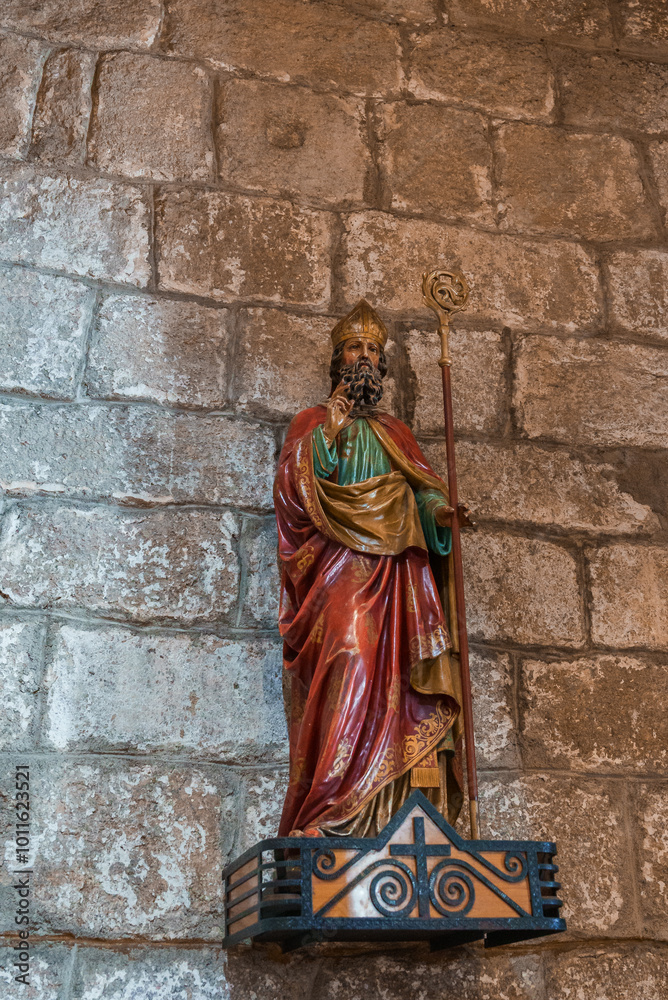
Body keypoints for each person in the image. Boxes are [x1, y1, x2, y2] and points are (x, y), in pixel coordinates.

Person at [274, 299, 470, 838]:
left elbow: (424, 493)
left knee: (405, 679)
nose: (365, 357)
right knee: (349, 656)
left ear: (381, 367)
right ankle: (333, 808)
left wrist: (442, 514)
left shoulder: (395, 432)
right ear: (338, 361)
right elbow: (292, 497)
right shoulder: (311, 421)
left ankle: (402, 813)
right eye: (355, 348)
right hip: (339, 572)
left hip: (401, 577)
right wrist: (328, 435)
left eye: (373, 351)